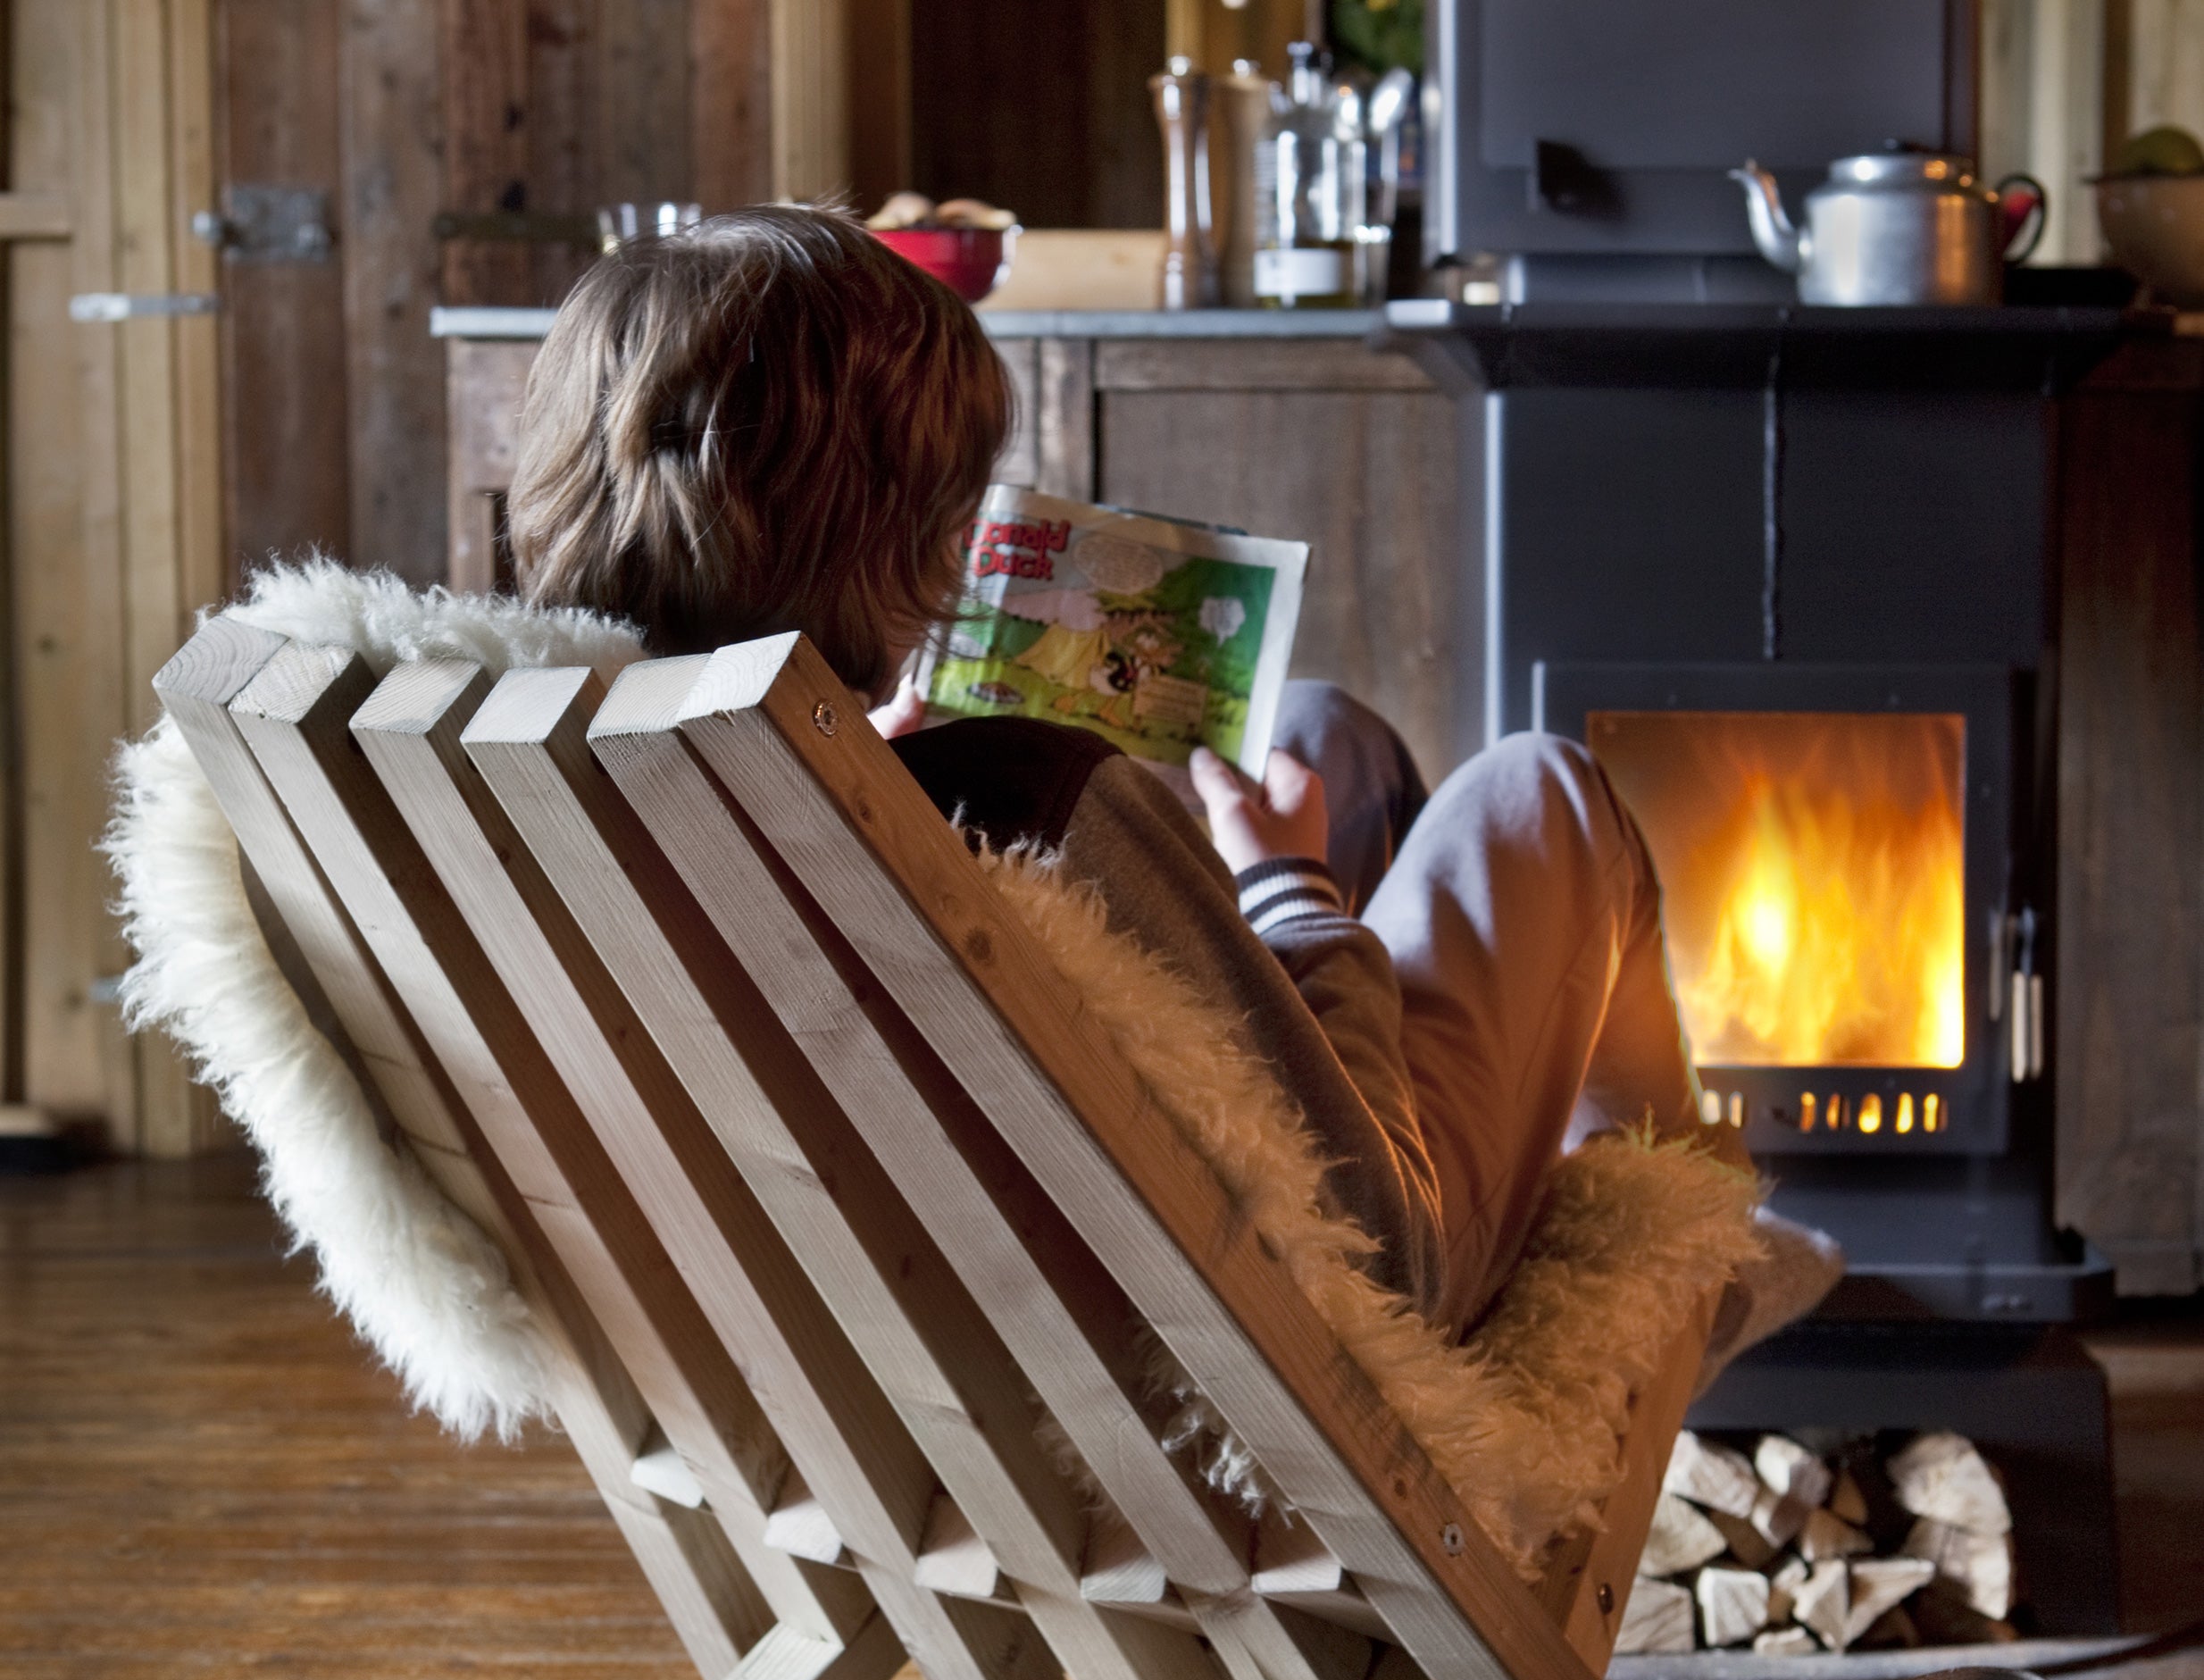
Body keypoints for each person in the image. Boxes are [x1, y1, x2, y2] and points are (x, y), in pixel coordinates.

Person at [505, 202, 1838, 1374]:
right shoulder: (1023, 797)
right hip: (1295, 1330)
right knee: (1537, 797)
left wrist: (878, 754)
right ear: (893, 536)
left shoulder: (594, 778)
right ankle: (1695, 1276)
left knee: (1324, 734)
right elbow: (1372, 1245)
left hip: (938, 1312)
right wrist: (1287, 886)